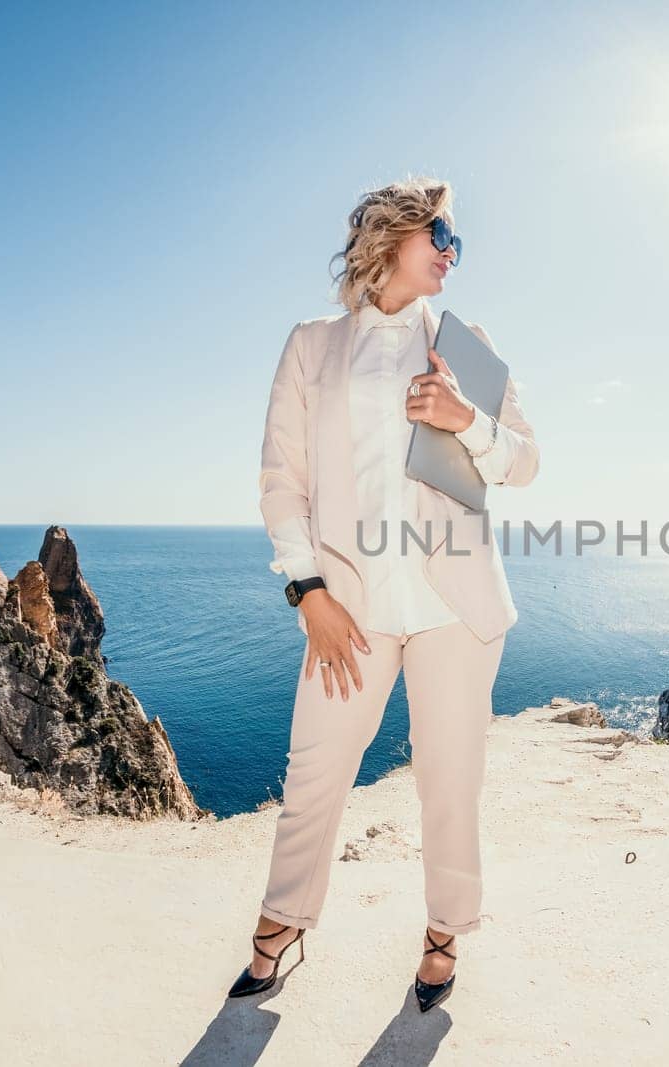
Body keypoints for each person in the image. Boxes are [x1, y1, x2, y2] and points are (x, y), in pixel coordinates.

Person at [229, 177, 539, 1014]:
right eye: (441, 233)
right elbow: (281, 481)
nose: (451, 251)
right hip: (351, 607)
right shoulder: (312, 345)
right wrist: (309, 592)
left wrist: (465, 417)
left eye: (457, 241)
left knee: (450, 776)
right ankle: (281, 922)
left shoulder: (465, 342)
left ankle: (443, 932)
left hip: (456, 607)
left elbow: (525, 462)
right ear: (388, 236)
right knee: (315, 766)